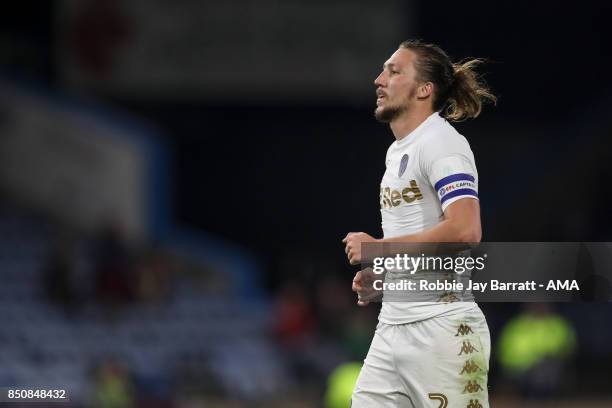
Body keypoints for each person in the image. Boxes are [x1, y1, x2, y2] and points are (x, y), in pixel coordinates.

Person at [342, 40, 496, 407]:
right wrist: (387, 274)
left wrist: (379, 249)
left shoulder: (442, 144)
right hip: (392, 328)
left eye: (394, 71)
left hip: (443, 331)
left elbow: (465, 231)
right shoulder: (398, 151)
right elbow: (423, 239)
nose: (380, 80)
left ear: (424, 89)